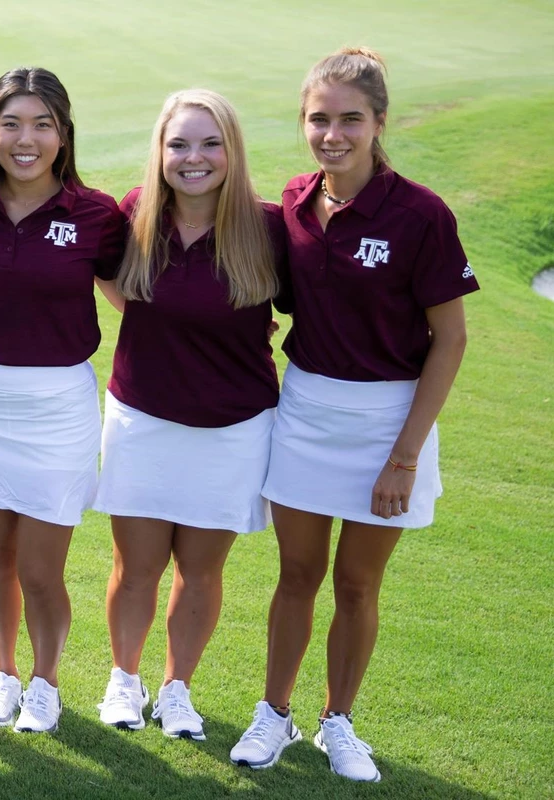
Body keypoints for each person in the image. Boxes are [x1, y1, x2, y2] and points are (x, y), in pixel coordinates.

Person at [229, 47, 477, 782]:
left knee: (357, 585)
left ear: (379, 123)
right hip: (306, 411)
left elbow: (451, 338)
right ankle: (274, 713)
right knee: (296, 574)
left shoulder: (421, 214)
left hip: (389, 424)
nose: (332, 135)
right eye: (319, 119)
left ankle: (338, 720)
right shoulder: (295, 201)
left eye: (350, 120)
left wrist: (405, 456)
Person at [92, 89, 286, 740]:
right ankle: (125, 680)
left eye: (209, 143)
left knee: (200, 571)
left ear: (232, 150)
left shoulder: (267, 228)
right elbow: (111, 279)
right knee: (136, 567)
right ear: (160, 151)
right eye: (178, 144)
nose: (192, 157)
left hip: (234, 429)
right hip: (143, 417)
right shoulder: (136, 214)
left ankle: (177, 690)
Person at [0, 67, 125, 734]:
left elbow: (134, 299)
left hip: (57, 405)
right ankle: (4, 676)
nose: (27, 139)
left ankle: (45, 684)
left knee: (42, 570)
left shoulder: (96, 214)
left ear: (63, 134)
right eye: (11, 124)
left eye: (42, 125)